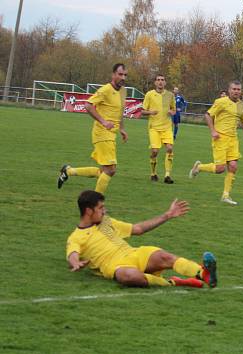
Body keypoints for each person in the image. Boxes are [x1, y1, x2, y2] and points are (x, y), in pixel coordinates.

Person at [66, 190, 218, 288]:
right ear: (88, 211)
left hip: (134, 254)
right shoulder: (76, 237)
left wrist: (167, 215)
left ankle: (203, 273)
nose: (104, 211)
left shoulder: (106, 222)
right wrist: (76, 263)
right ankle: (173, 282)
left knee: (163, 256)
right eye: (100, 208)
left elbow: (137, 229)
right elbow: (72, 253)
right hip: (115, 266)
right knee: (130, 277)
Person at [58, 63, 129, 194]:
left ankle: (68, 171)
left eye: (125, 75)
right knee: (111, 170)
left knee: (103, 171)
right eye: (120, 74)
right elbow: (88, 105)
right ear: (113, 75)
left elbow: (120, 111)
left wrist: (122, 129)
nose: (123, 77)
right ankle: (96, 203)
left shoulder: (123, 91)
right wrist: (103, 122)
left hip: (111, 134)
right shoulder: (105, 90)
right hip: (102, 133)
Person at [189, 81, 243, 205]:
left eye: (238, 89)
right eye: (234, 89)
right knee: (220, 169)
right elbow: (208, 115)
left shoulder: (242, 105)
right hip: (220, 138)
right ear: (229, 90)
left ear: (241, 91)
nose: (236, 91)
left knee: (233, 166)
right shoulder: (220, 102)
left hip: (233, 140)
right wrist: (213, 131)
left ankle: (225, 195)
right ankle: (199, 167)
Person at [142, 74, 176, 184]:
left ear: (165, 82)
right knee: (155, 151)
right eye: (158, 80)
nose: (160, 82)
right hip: (154, 128)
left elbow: (174, 110)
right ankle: (153, 173)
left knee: (170, 148)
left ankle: (167, 175)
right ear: (155, 82)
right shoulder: (149, 95)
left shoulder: (170, 95)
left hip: (167, 127)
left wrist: (172, 112)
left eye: (162, 80)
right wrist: (150, 112)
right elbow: (142, 111)